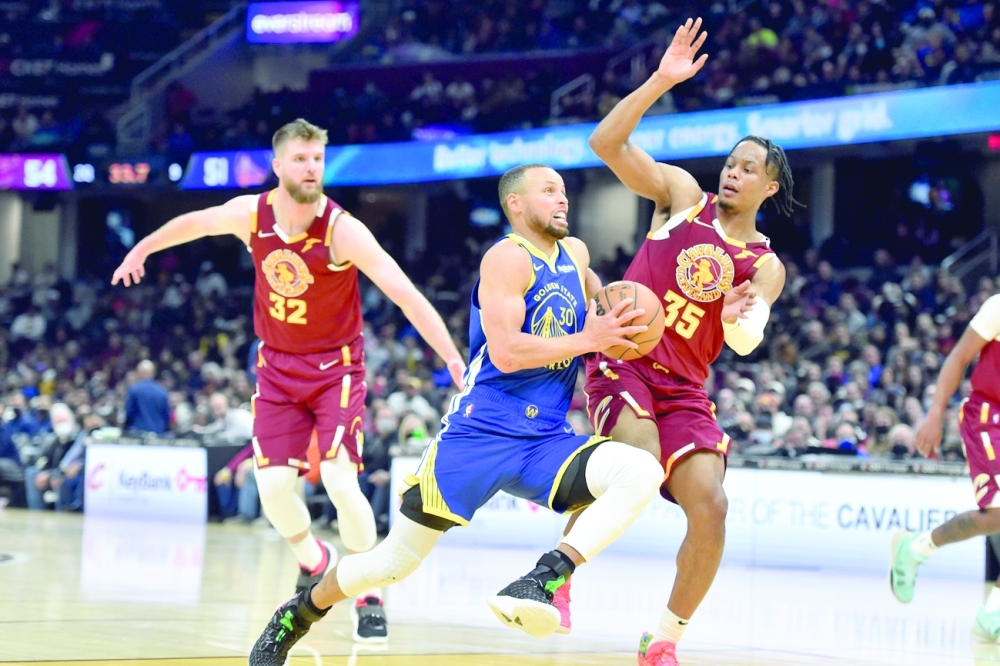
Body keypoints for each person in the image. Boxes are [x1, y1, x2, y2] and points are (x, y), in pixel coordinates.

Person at [246, 164, 717, 666]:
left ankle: (544, 579)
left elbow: (608, 312)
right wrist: (589, 339)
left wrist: (700, 314)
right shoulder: (506, 258)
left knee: (640, 469)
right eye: (549, 191)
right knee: (392, 563)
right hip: (483, 430)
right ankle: (295, 615)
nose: (562, 199)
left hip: (545, 438)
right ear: (516, 204)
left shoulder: (576, 255)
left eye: (563, 191)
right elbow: (508, 353)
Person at [112, 118, 466, 644]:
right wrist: (142, 248)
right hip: (277, 367)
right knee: (273, 490)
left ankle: (368, 592)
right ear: (278, 165)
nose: (311, 168)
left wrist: (453, 359)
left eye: (317, 159)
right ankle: (315, 559)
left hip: (334, 367)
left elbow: (405, 294)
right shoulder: (251, 214)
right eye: (300, 159)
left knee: (341, 482)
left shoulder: (341, 229)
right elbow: (195, 223)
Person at [582, 18, 793, 666]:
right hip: (625, 360)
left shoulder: (764, 263)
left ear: (769, 187)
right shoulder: (681, 196)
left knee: (713, 507)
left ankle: (665, 639)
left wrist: (738, 318)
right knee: (640, 461)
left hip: (683, 388)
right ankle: (556, 570)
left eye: (748, 169)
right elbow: (604, 142)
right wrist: (660, 80)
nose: (733, 174)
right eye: (730, 163)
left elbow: (748, 338)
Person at [893, 293, 1000, 640]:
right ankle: (916, 549)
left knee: (997, 518)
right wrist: (935, 414)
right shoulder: (998, 307)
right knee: (998, 513)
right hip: (990, 418)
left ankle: (992, 613)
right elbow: (959, 356)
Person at [124, 360, 171, 435]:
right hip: (158, 434)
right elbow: (167, 416)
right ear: (153, 373)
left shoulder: (134, 390)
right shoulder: (162, 391)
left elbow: (129, 413)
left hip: (137, 434)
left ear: (139, 373)